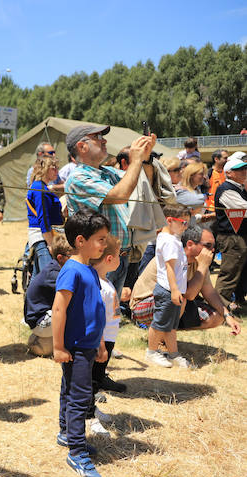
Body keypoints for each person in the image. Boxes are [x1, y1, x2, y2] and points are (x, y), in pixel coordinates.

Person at [64, 124, 157, 296]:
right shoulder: (78, 177)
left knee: (109, 313)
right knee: (95, 312)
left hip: (119, 256)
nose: (104, 140)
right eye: (97, 137)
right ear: (82, 146)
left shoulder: (108, 172)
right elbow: (120, 195)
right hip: (97, 258)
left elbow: (143, 183)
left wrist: (146, 158)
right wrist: (136, 160)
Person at [52, 208, 110, 477]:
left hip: (87, 346)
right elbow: (59, 308)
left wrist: (99, 342)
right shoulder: (71, 271)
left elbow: (95, 309)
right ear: (80, 241)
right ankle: (77, 450)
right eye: (100, 239)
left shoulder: (89, 270)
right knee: (80, 397)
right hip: (74, 348)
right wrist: (58, 346)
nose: (104, 244)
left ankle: (66, 433)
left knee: (71, 390)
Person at [130, 226, 240, 334]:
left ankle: (166, 333)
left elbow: (210, 292)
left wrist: (227, 316)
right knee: (179, 300)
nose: (212, 250)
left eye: (213, 246)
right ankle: (161, 338)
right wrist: (202, 267)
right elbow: (189, 295)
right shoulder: (174, 258)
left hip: (170, 304)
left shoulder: (200, 262)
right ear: (190, 244)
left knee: (217, 317)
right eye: (208, 246)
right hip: (142, 305)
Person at [144, 205, 191, 368]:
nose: (186, 227)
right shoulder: (169, 241)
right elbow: (169, 268)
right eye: (183, 223)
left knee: (170, 326)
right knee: (160, 324)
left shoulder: (172, 238)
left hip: (172, 290)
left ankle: (173, 354)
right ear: (169, 220)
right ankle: (151, 352)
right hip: (168, 290)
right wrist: (175, 289)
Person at [90, 235, 126, 403]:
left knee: (100, 366)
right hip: (102, 337)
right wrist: (101, 342)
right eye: (119, 255)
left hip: (109, 335)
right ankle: (92, 392)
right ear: (110, 259)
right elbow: (95, 317)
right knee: (95, 367)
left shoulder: (104, 282)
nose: (120, 259)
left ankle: (98, 383)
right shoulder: (98, 285)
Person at [24, 234, 72, 357]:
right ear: (60, 257)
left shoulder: (56, 269)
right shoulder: (53, 274)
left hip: (42, 318)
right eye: (71, 256)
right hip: (39, 322)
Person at [211, 155, 247, 309]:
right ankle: (219, 307)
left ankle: (237, 300)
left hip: (238, 237)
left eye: (245, 169)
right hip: (231, 238)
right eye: (240, 170)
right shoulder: (226, 189)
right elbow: (244, 209)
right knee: (229, 273)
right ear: (229, 173)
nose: (244, 172)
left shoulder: (239, 188)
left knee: (239, 271)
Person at [26, 156, 64, 275]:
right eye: (54, 168)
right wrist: (50, 243)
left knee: (37, 278)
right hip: (43, 237)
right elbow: (43, 217)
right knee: (49, 275)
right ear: (45, 169)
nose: (57, 171)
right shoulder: (39, 188)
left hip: (45, 236)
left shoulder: (41, 186)